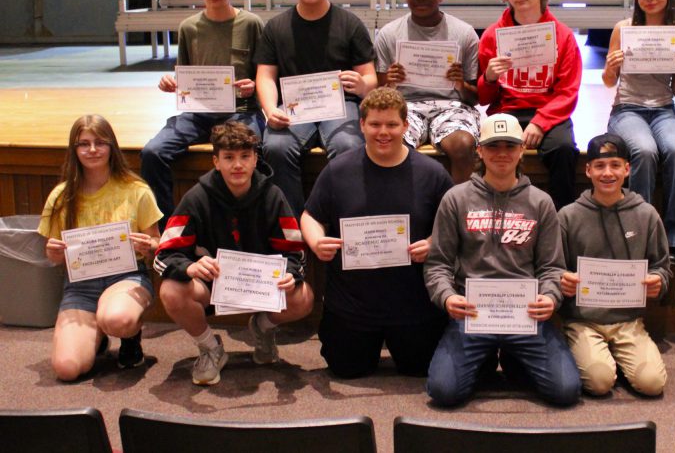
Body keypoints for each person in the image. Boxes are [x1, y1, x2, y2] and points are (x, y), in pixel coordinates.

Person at [424, 113, 581, 406]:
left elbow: (551, 267)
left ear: (522, 149)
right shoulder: (455, 199)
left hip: (525, 315)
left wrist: (550, 296)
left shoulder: (540, 202)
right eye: (493, 146)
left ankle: (512, 358)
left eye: (510, 146)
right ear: (479, 151)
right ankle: (483, 362)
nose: (502, 154)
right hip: (471, 316)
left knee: (565, 391)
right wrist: (447, 298)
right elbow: (438, 264)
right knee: (443, 392)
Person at [301, 87, 452, 378]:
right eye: (375, 124)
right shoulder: (338, 170)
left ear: (406, 126)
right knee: (346, 370)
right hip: (353, 305)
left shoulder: (432, 173)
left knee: (419, 370)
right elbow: (310, 215)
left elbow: (454, 226)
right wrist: (316, 240)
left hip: (414, 304)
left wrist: (435, 243)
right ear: (362, 126)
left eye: (392, 125)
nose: (383, 132)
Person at [155, 121, 313, 386]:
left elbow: (294, 252)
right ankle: (210, 348)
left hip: (261, 288)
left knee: (303, 298)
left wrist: (290, 274)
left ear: (255, 160)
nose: (237, 165)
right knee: (171, 290)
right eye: (228, 158)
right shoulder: (196, 198)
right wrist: (189, 268)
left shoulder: (273, 196)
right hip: (212, 288)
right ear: (216, 161)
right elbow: (165, 254)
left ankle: (261, 328)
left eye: (244, 157)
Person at [254, 0, 378, 215]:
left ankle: (342, 221)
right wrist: (269, 109)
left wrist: (361, 84)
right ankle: (294, 227)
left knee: (349, 145)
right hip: (295, 107)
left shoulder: (350, 24)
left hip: (341, 105)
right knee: (275, 146)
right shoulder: (276, 27)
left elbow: (370, 79)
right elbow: (265, 76)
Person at [141, 0, 265, 225]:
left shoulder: (251, 24)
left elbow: (265, 74)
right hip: (199, 113)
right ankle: (170, 229)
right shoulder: (189, 27)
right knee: (153, 153)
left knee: (257, 151)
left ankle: (250, 224)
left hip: (240, 112)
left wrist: (255, 84)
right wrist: (171, 83)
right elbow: (185, 75)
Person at [39, 115, 162, 381]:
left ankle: (129, 337)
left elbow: (157, 243)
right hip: (81, 286)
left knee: (117, 319)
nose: (92, 150)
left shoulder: (136, 190)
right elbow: (51, 254)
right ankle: (97, 335)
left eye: (100, 142)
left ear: (112, 147)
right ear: (74, 150)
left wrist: (148, 244)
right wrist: (54, 252)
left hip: (126, 277)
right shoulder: (61, 195)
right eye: (84, 144)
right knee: (67, 369)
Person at [557, 133, 671, 396]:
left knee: (652, 384)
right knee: (599, 383)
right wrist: (563, 280)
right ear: (588, 170)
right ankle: (594, 356)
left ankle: (617, 358)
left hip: (628, 320)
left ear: (627, 169)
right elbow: (553, 269)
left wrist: (658, 282)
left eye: (615, 165)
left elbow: (662, 268)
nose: (607, 173)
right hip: (583, 320)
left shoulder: (646, 214)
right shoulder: (568, 216)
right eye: (599, 166)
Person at [602, 0, 675, 261]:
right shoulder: (623, 29)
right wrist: (611, 66)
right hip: (627, 109)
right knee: (643, 150)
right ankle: (638, 235)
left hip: (665, 109)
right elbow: (608, 81)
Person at [478, 0, 583, 210]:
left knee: (564, 149)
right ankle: (490, 216)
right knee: (491, 149)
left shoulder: (563, 35)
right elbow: (483, 97)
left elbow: (568, 92)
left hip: (548, 112)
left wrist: (541, 121)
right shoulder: (493, 35)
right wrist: (490, 77)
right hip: (507, 110)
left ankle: (561, 223)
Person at [374, 0, 480, 183]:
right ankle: (405, 210)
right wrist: (391, 84)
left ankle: (456, 210)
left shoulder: (464, 33)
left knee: (463, 144)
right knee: (393, 141)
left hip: (452, 106)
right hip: (405, 105)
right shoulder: (389, 34)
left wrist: (460, 84)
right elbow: (379, 92)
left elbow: (475, 97)